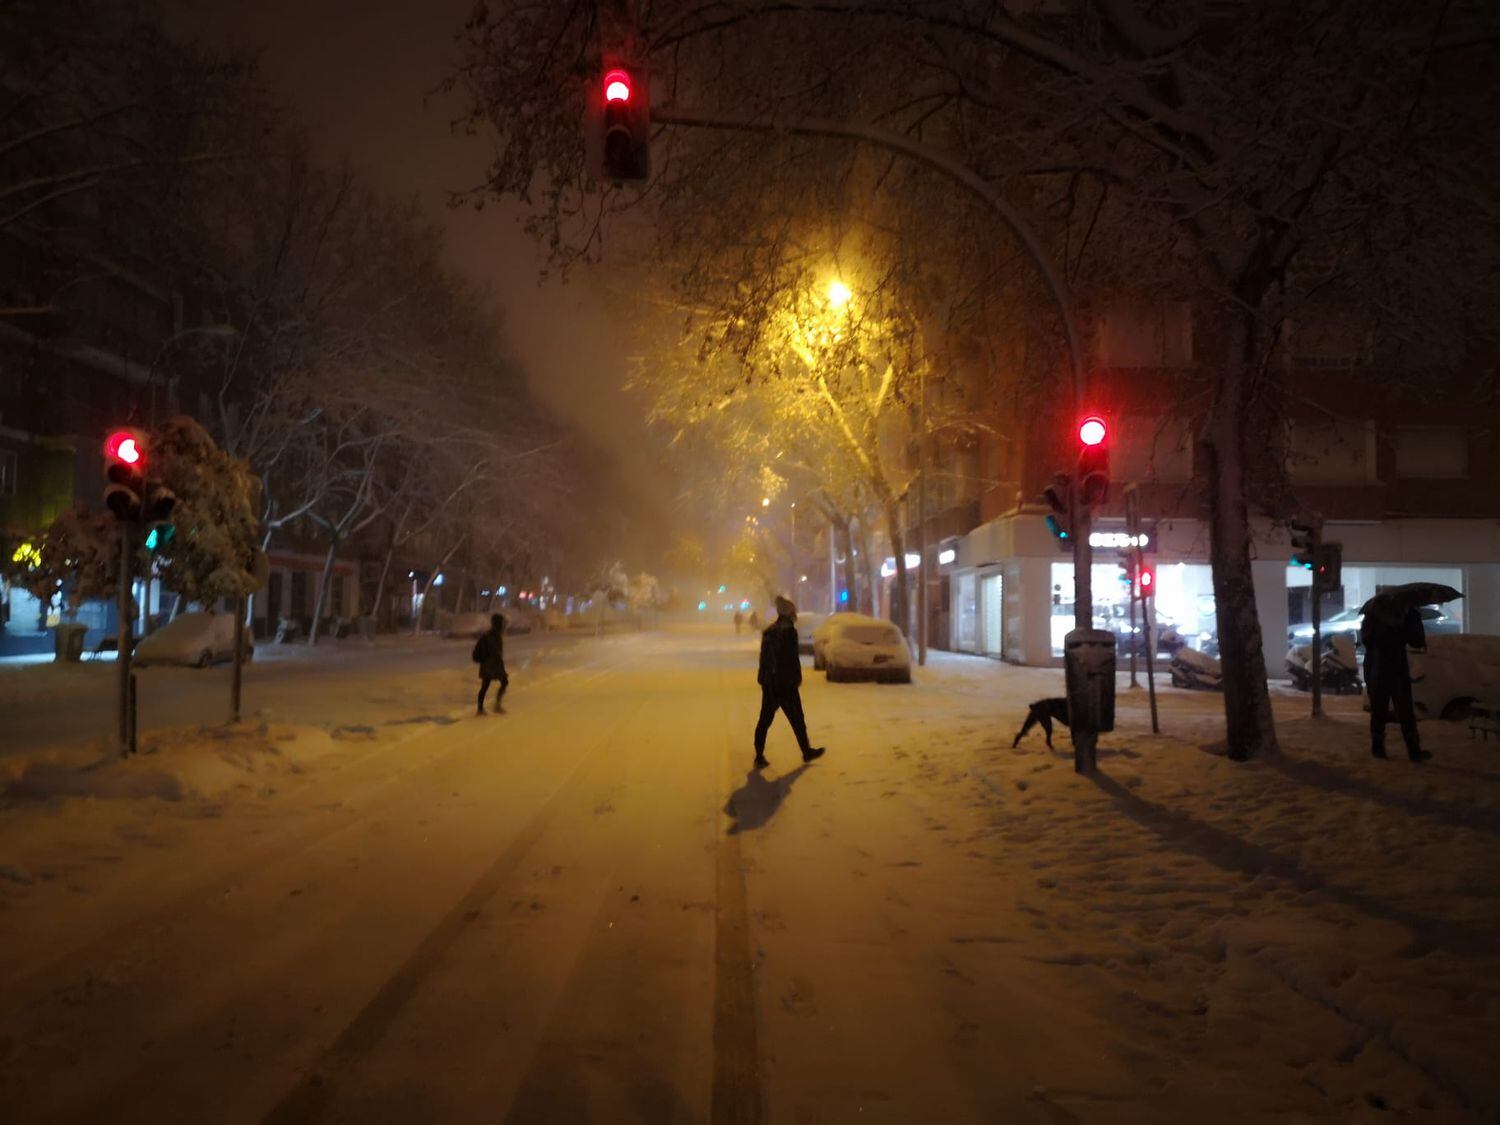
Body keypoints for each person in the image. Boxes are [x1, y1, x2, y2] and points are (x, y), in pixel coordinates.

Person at [754, 596, 824, 768]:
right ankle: (806, 751)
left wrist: (764, 679)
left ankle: (759, 755)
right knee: (797, 719)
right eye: (793, 611)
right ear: (789, 613)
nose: (795, 614)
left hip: (771, 684)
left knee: (765, 719)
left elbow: (765, 659)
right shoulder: (789, 632)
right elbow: (792, 659)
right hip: (785, 684)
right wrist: (795, 678)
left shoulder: (770, 631)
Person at [1360, 606, 1430, 762]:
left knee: (1405, 709)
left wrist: (1409, 624)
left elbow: (1416, 641)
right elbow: (1367, 639)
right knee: (1379, 708)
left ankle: (1413, 749)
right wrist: (1390, 628)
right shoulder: (1374, 615)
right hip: (1378, 666)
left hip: (1397, 667)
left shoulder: (1409, 614)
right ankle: (1378, 747)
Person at [472, 614, 509, 716]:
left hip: (491, 664)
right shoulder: (491, 636)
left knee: (486, 685)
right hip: (491, 665)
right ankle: (490, 707)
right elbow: (494, 652)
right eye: (502, 623)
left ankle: (482, 708)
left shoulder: (494, 635)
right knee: (491, 684)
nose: (504, 626)